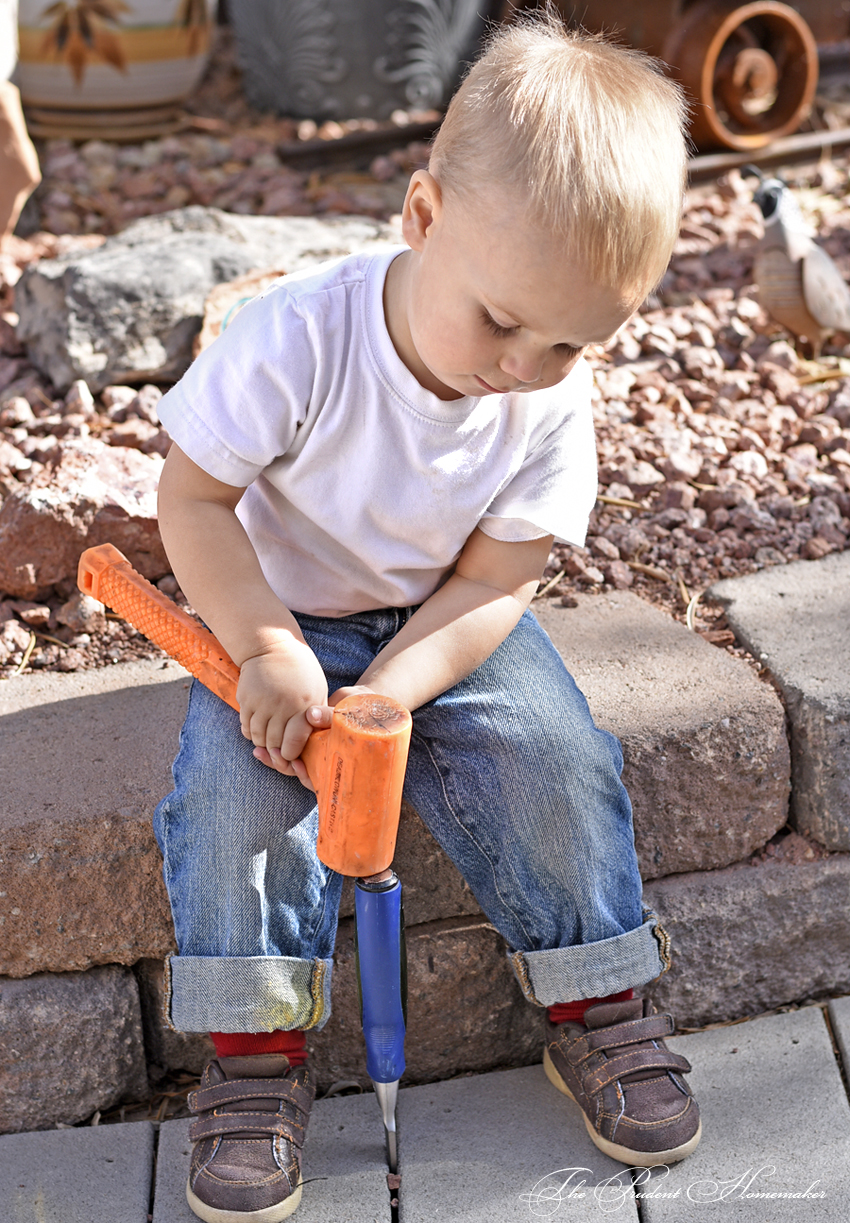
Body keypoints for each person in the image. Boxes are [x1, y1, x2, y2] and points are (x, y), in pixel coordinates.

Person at [154, 13, 698, 1222]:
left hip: (443, 614)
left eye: (568, 341)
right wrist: (264, 648)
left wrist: (397, 684)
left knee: (552, 755)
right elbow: (191, 501)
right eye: (502, 320)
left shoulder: (550, 398)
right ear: (421, 215)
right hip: (279, 608)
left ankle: (594, 994)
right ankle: (252, 1057)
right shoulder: (302, 337)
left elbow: (496, 582)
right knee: (240, 799)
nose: (523, 364)